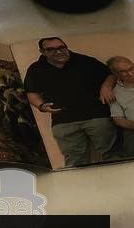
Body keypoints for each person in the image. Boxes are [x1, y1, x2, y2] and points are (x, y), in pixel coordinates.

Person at [24, 37, 117, 167]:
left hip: (96, 116)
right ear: (43, 52)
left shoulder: (84, 61)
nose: (58, 52)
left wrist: (106, 87)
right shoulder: (35, 69)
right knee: (74, 162)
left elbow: (110, 75)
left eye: (61, 47)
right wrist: (41, 106)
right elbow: (31, 92)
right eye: (51, 49)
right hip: (63, 121)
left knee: (112, 155)